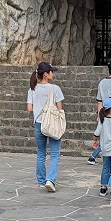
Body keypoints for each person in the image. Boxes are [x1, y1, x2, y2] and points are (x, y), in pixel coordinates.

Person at [26, 61, 65, 192]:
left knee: (41, 153)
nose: (53, 73)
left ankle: (42, 181)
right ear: (46, 74)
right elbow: (60, 107)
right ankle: (50, 179)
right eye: (51, 71)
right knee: (54, 154)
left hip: (38, 124)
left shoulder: (32, 89)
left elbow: (29, 108)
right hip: (52, 123)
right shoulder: (55, 89)